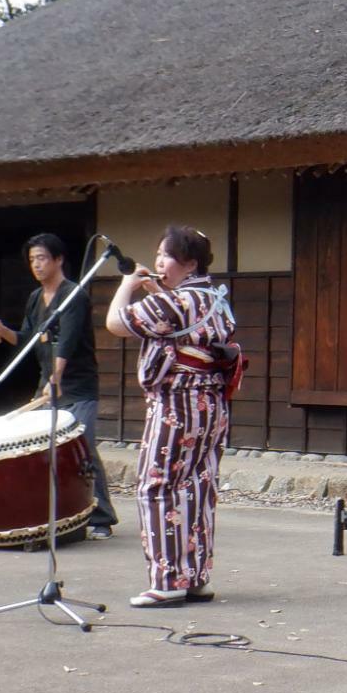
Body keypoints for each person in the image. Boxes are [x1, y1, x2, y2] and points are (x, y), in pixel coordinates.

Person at [104, 225, 236, 608]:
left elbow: (117, 323)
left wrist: (127, 285)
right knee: (197, 486)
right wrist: (156, 289)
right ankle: (195, 578)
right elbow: (182, 324)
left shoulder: (174, 304)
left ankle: (166, 580)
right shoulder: (215, 299)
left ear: (190, 262)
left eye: (166, 255)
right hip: (211, 404)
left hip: (176, 403)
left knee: (157, 485)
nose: (160, 262)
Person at [0, 232, 116, 537]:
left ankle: (102, 516)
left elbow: (66, 343)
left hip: (76, 387)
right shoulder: (34, 299)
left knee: (81, 449)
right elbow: (29, 341)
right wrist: (2, 331)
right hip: (48, 385)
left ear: (58, 259)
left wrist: (56, 378)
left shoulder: (74, 295)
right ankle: (59, 512)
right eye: (32, 260)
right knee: (40, 449)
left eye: (42, 258)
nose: (36, 265)